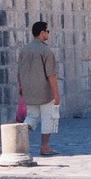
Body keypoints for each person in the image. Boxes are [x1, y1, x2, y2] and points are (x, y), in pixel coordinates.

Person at [17, 21, 60, 156]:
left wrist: (21, 87)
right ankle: (45, 147)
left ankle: (16, 140)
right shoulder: (46, 51)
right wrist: (56, 94)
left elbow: (19, 71)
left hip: (29, 91)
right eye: (47, 31)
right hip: (44, 92)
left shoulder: (24, 50)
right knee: (49, 117)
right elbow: (51, 75)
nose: (48, 34)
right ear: (42, 33)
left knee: (31, 117)